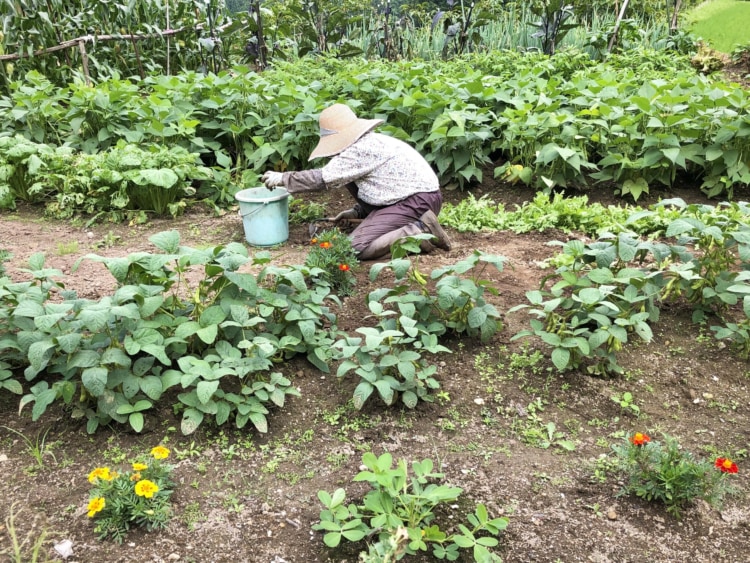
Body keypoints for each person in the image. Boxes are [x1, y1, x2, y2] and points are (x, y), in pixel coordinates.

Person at [261, 103, 452, 260]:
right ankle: (394, 223)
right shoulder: (368, 142)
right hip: (413, 197)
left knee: (353, 248)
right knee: (344, 178)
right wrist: (357, 211)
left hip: (416, 201)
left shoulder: (360, 150)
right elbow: (382, 185)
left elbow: (321, 178)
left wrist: (283, 178)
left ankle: (419, 231)